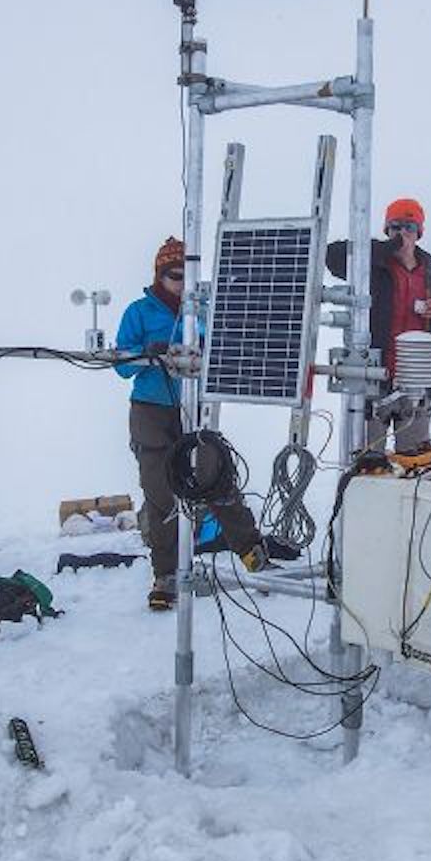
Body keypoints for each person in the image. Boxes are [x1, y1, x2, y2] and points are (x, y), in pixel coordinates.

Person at [115, 236, 269, 611]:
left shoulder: (203, 308)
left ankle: (251, 551)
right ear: (159, 274)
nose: (181, 281)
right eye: (173, 274)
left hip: (194, 407)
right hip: (151, 410)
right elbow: (120, 363)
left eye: (187, 274)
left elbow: (225, 349)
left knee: (215, 478)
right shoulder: (139, 311)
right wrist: (148, 355)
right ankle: (165, 574)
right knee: (160, 491)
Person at [325, 197, 431, 454]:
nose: (402, 233)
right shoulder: (370, 263)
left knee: (412, 466)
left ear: (419, 232)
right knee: (365, 462)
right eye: (395, 226)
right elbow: (332, 257)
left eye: (409, 227)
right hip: (373, 378)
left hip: (416, 381)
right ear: (387, 230)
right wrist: (384, 248)